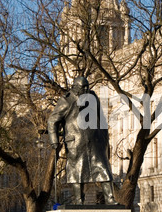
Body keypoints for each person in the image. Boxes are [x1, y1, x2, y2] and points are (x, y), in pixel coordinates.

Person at [47, 76, 117, 205]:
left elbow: (100, 117)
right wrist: (54, 140)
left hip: (95, 141)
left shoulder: (92, 97)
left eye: (87, 86)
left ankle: (110, 198)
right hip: (75, 142)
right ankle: (78, 200)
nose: (86, 89)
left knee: (103, 168)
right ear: (75, 87)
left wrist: (104, 135)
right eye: (82, 87)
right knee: (77, 171)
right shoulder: (66, 100)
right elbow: (52, 121)